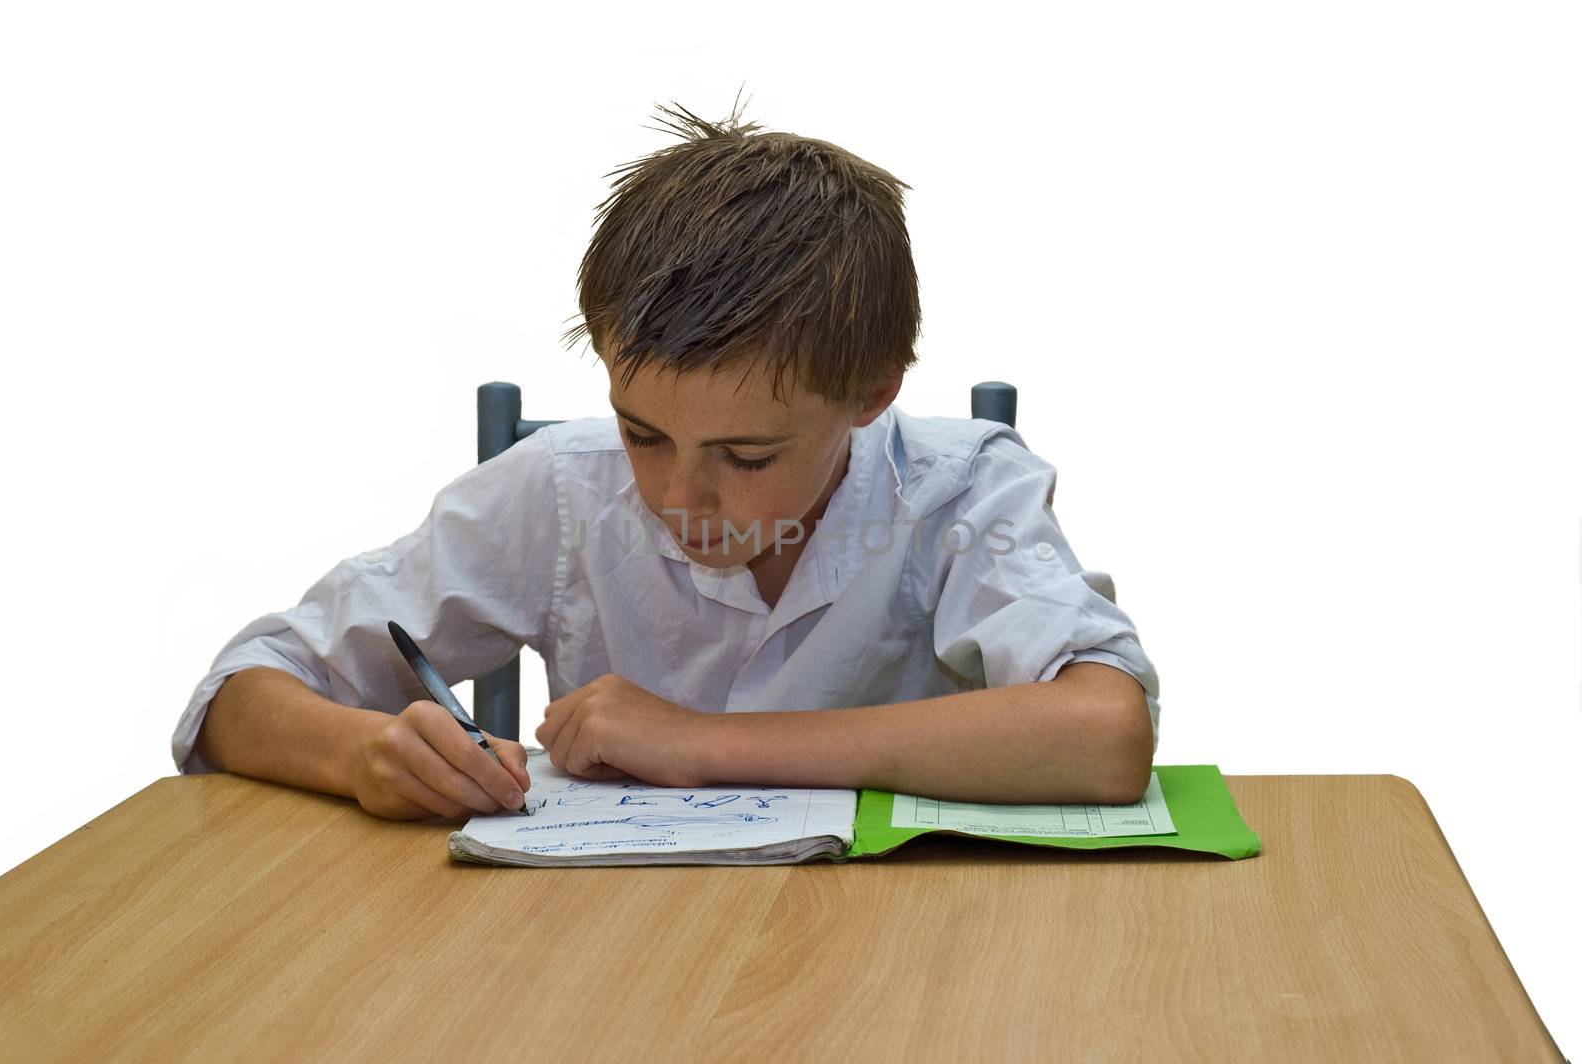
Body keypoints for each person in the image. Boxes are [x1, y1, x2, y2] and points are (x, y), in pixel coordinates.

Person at [175, 98, 1161, 822]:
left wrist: (698, 742)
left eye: (745, 453)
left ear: (871, 395)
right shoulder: (566, 486)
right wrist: (365, 752)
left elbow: (1106, 732)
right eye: (643, 431)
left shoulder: (961, 487)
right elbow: (237, 693)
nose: (678, 498)